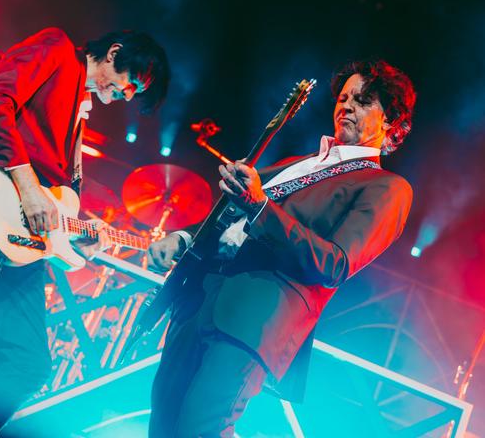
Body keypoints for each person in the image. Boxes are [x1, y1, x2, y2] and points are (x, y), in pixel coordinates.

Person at [0, 27, 170, 436]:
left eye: (132, 95)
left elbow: (56, 189)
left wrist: (75, 228)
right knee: (26, 364)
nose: (125, 96)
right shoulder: (57, 48)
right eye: (129, 84)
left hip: (18, 226)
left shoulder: (79, 103)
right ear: (113, 53)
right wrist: (29, 187)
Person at [146, 60, 415, 437]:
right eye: (343, 97)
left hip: (255, 318)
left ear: (391, 120)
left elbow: (335, 264)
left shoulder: (386, 187)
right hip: (199, 297)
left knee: (201, 427)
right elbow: (232, 216)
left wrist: (259, 205)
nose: (347, 106)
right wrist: (185, 237)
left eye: (363, 100)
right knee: (163, 423)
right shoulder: (297, 164)